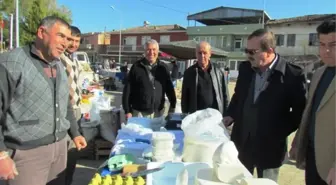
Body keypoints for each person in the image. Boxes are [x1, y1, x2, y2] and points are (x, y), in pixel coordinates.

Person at [0, 16, 87, 185]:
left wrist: (75, 133)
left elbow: (65, 104)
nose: (66, 43)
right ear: (41, 32)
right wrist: (2, 155)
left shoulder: (58, 65)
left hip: (60, 149)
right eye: (61, 36)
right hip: (27, 153)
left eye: (68, 39)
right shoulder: (11, 63)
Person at [223, 29, 306, 182]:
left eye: (252, 51)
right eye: (246, 50)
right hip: (242, 141)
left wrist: (279, 131)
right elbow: (238, 96)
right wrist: (230, 114)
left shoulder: (292, 74)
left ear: (269, 51)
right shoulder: (245, 68)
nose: (248, 55)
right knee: (237, 180)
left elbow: (300, 111)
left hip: (270, 147)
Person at [293, 19, 336, 185]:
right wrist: (298, 141)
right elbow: (310, 111)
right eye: (322, 44)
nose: (326, 50)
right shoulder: (318, 73)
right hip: (313, 156)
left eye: (333, 44)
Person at [122, 39, 176, 118]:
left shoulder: (163, 67)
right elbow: (127, 89)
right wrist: (127, 110)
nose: (151, 52)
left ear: (158, 51)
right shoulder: (136, 67)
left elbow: (169, 88)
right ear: (144, 51)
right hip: (139, 112)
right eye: (148, 49)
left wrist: (173, 105)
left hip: (158, 112)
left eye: (154, 49)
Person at [60, 25, 86, 185]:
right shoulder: (59, 59)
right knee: (65, 154)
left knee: (73, 153)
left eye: (77, 41)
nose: (74, 44)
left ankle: (67, 180)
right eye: (71, 40)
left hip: (76, 110)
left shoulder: (74, 59)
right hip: (64, 112)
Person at [181, 41, 230, 114]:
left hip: (215, 116)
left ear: (210, 53)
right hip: (196, 117)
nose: (202, 56)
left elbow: (225, 95)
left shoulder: (219, 72)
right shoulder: (189, 73)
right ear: (196, 54)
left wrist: (226, 115)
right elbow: (185, 97)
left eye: (205, 53)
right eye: (199, 53)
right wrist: (185, 114)